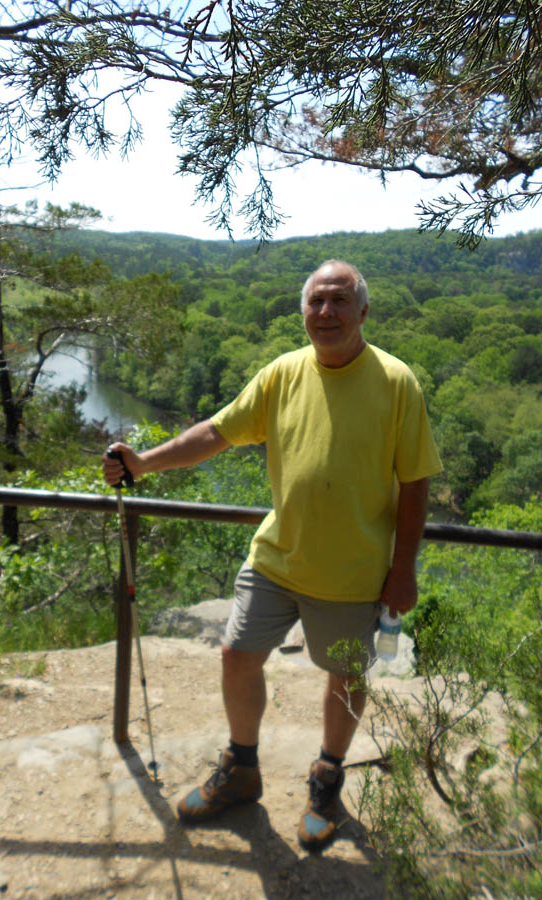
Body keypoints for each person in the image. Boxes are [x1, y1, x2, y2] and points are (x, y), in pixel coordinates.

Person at [103, 259, 442, 850]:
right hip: (277, 558)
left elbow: (415, 484)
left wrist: (403, 570)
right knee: (237, 655)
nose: (326, 311)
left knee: (344, 677)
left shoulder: (396, 382)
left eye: (339, 300)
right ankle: (242, 768)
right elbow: (218, 432)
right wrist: (145, 462)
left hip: (354, 575)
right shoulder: (282, 373)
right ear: (303, 311)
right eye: (316, 301)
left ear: (364, 310)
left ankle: (327, 778)